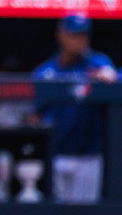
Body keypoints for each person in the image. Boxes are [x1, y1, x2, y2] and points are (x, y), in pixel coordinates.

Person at [34, 14, 116, 204]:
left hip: (89, 156)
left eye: (83, 34)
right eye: (74, 34)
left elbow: (112, 76)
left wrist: (107, 76)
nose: (80, 39)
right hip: (56, 155)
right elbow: (36, 114)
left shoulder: (96, 64)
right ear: (61, 35)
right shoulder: (46, 71)